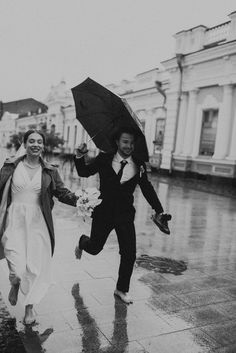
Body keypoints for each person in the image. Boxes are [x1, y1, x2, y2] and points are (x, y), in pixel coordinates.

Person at [74, 127, 171, 304]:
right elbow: (84, 172)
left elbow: (147, 188)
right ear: (117, 142)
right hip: (103, 212)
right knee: (95, 248)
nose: (129, 146)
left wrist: (159, 210)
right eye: (125, 142)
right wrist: (80, 156)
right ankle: (82, 242)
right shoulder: (104, 158)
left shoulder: (139, 163)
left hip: (125, 214)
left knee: (129, 253)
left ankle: (121, 289)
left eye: (132, 143)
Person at [0, 130, 78, 324]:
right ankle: (16, 282)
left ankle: (29, 307)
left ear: (43, 146)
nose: (36, 144)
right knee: (16, 265)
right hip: (14, 220)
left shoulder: (49, 170)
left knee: (35, 266)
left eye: (39, 142)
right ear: (24, 143)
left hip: (38, 223)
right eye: (31, 141)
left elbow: (62, 192)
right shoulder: (11, 166)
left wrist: (81, 201)